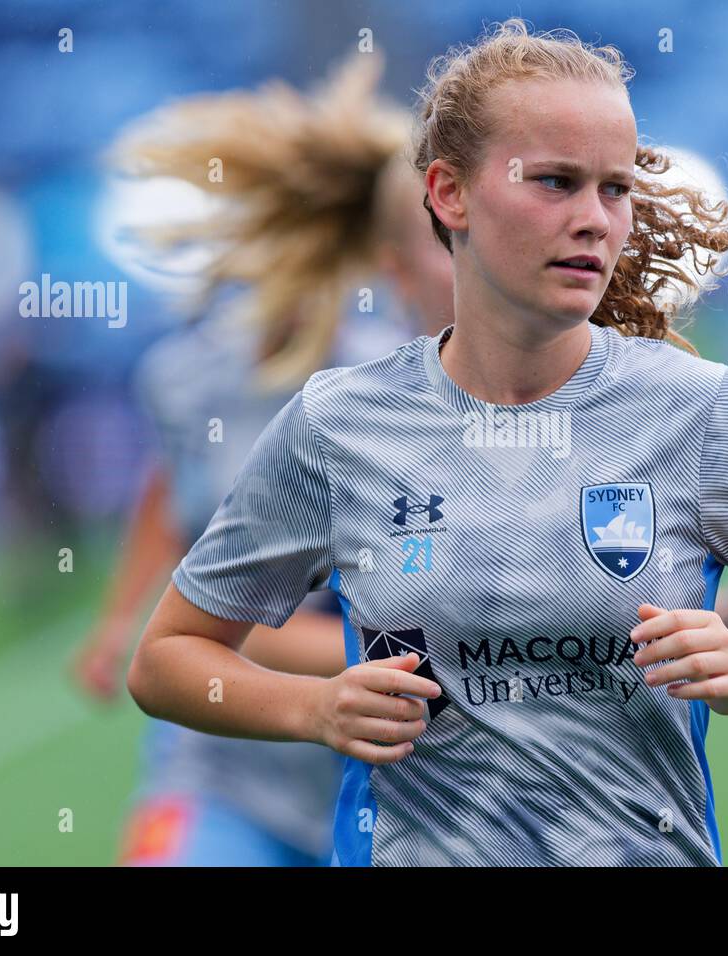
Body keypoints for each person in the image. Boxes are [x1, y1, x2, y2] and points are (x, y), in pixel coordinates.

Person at [128, 19, 728, 867]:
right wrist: (314, 710)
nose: (594, 221)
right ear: (449, 194)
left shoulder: (700, 412)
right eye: (555, 182)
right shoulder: (338, 425)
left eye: (614, 189)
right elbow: (169, 658)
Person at [72, 52, 454, 865]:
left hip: (386, 796)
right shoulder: (187, 379)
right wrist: (117, 621)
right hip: (226, 779)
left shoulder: (387, 384)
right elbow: (181, 500)